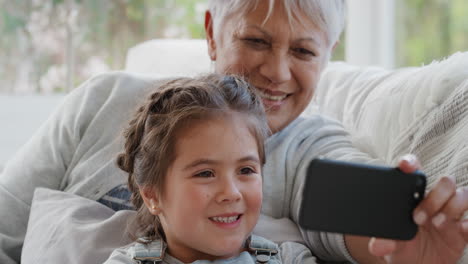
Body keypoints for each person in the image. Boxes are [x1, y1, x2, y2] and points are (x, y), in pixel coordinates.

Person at [0, 1, 467, 264]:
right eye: (256, 41)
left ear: (328, 54)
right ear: (210, 31)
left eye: (303, 51)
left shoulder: (310, 148)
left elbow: (352, 220)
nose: (277, 72)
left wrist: (406, 231)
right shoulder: (102, 98)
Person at [103, 74, 317, 263]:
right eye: (205, 173)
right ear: (152, 196)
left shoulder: (290, 258)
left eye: (246, 170)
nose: (231, 193)